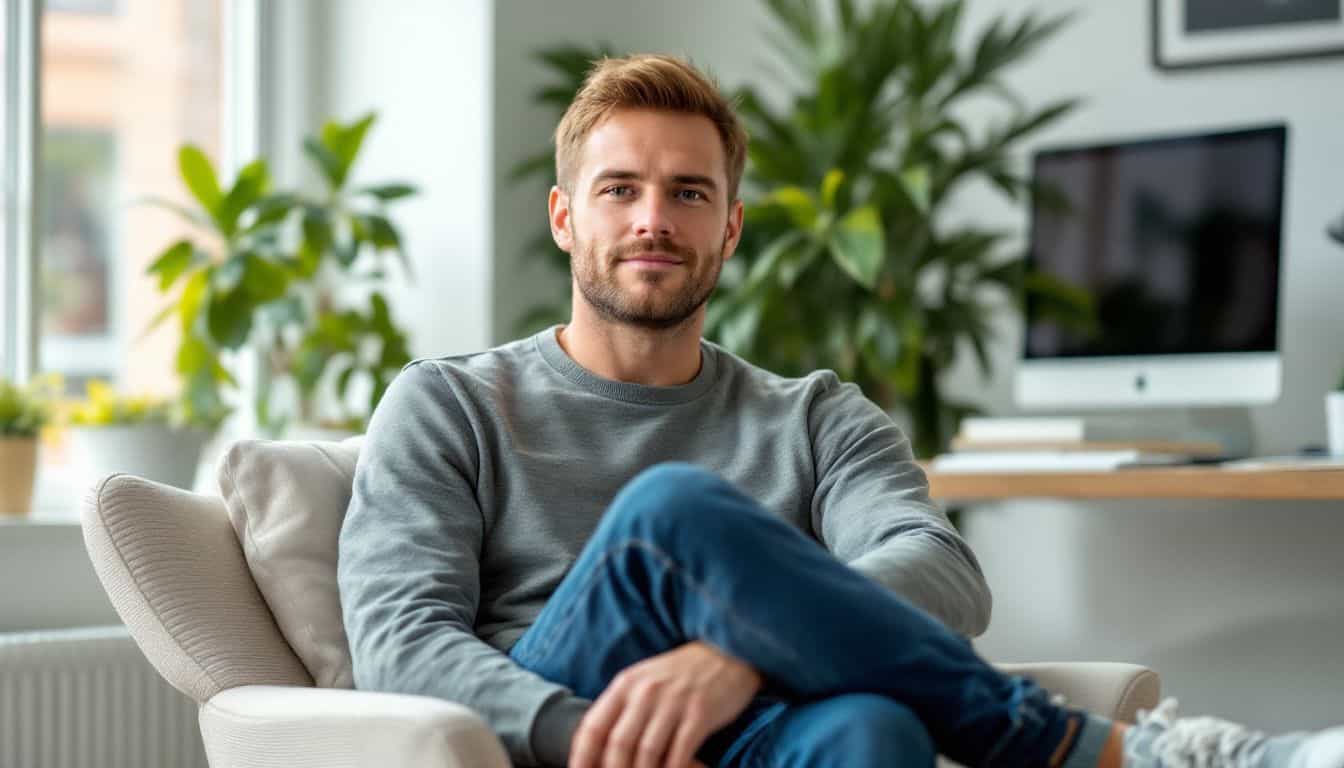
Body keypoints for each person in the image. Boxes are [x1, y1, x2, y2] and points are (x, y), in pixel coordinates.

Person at [337, 54, 1344, 768]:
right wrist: (576, 731)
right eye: (619, 190)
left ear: (729, 228)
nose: (654, 219)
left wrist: (735, 657)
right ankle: (1101, 753)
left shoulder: (814, 415)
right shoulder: (449, 403)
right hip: (568, 730)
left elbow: (941, 570)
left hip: (766, 731)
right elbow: (401, 641)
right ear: (566, 217)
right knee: (674, 514)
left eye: (689, 193)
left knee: (879, 735)